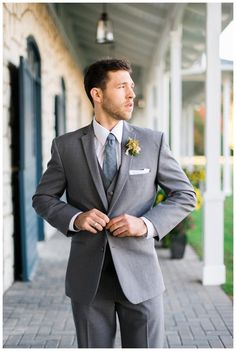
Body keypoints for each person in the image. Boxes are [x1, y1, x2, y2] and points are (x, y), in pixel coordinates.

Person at [32, 58, 196, 348]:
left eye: (131, 87)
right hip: (88, 280)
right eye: (122, 87)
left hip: (142, 278)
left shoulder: (153, 142)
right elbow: (43, 198)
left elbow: (184, 195)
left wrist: (145, 224)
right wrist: (75, 218)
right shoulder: (66, 146)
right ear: (97, 94)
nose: (132, 94)